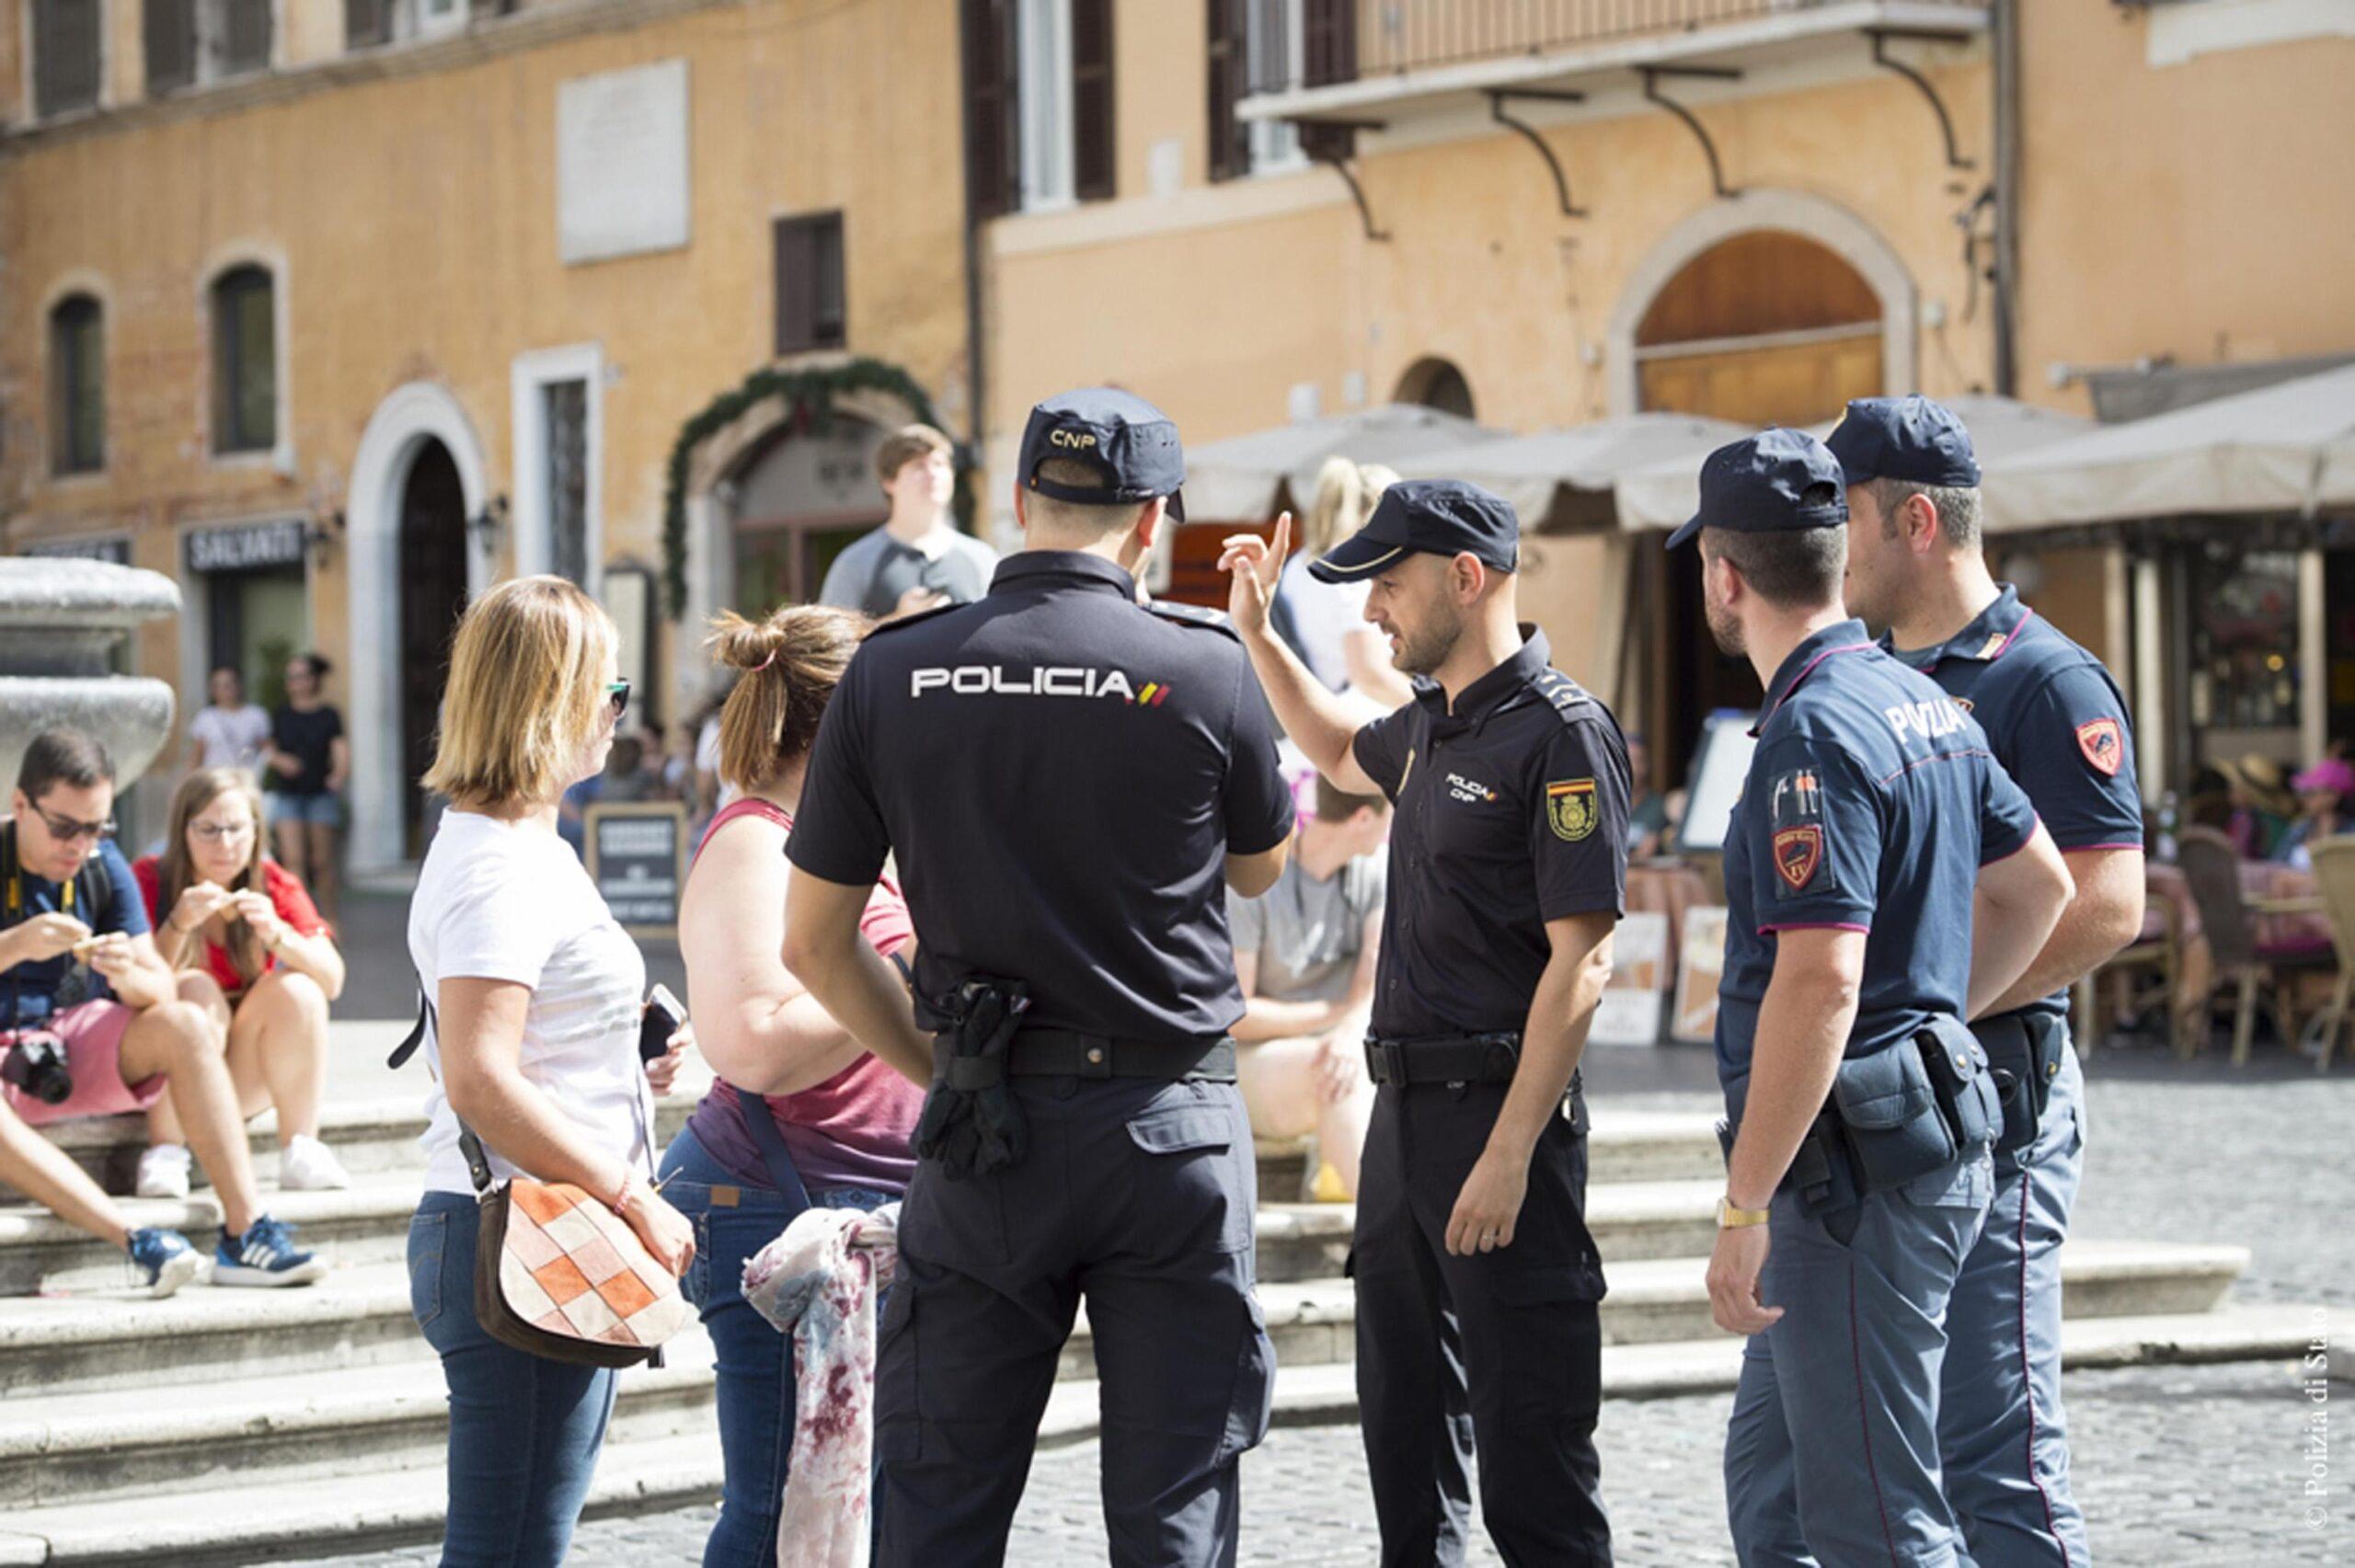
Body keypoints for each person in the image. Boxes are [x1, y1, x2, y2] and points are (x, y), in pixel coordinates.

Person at [780, 387, 1294, 1566]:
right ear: (1153, 520)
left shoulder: (896, 668)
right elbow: (1261, 872)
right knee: (1174, 1506)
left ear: (1016, 502)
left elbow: (813, 940)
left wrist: (942, 1070)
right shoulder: (1202, 665)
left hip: (985, 1130)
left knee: (939, 1509)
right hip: (1172, 1133)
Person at [1668, 430, 2074, 1567]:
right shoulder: (1914, 694)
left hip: (1850, 1178)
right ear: (1834, 557)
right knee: (1778, 1491)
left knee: (1879, 1525)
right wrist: (1940, 1011)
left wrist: (1742, 1206)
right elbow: (2039, 883)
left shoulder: (1811, 726)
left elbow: (1822, 974)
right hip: (1900, 1151)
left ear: (1724, 574)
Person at [1223, 476, 1628, 1566]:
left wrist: (1507, 1151)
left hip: (1501, 1121)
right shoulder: (1432, 724)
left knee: (1531, 1461)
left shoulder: (1561, 735)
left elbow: (1581, 963)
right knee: (1406, 1439)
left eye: (1390, 587)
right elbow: (1330, 744)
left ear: (1466, 577)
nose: (1374, 614)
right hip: (1402, 1121)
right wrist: (1257, 638)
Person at [1834, 395, 2149, 1566]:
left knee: (1995, 1455)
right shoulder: (1863, 672)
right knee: (1856, 1456)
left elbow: (2109, 905)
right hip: (1882, 1115)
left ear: (1915, 520)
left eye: (1847, 518)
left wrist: (1921, 1010)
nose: (1832, 545)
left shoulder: (2045, 680)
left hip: (1997, 1109)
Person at [406, 576, 696, 1568]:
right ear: (554, 700)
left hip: (537, 1218)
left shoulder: (521, 841)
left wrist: (631, 1033)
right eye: (610, 691)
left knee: (523, 1543)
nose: (621, 715)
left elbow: (519, 1037)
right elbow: (481, 1079)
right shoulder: (500, 861)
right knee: (508, 1552)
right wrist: (630, 1194)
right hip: (521, 1227)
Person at [662, 603, 926, 1567]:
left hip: (864, 1209)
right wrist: (899, 968)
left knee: (861, 1503)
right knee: (780, 1512)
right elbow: (755, 1049)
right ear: (842, 722)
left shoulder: (845, 838)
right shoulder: (753, 841)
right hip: (771, 1200)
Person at [2, 728, 323, 1292]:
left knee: (185, 1022)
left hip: (70, 1039)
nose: (79, 844)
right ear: (19, 804)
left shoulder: (102, 863)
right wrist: (15, 945)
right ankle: (135, 1238)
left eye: (96, 826)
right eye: (63, 827)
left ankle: (245, 1233)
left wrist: (127, 972)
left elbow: (158, 984)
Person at [132, 768, 352, 1198]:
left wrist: (276, 934)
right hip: (166, 1079)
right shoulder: (149, 879)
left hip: (241, 1072)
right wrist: (178, 924)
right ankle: (166, 1151)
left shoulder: (271, 882)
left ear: (256, 830)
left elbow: (332, 979)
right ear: (183, 831)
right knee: (193, 987)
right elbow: (134, 983)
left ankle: (302, 1147)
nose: (225, 844)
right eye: (208, 830)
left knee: (299, 990)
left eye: (236, 828)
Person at [1228, 775, 1387, 1200]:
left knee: (1353, 1070)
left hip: (1345, 1053)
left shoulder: (1375, 875)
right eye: (1389, 815)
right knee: (1336, 1072)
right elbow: (1235, 1013)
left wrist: (1346, 1032)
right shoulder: (1258, 881)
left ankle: (1384, 1229)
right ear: (1363, 817)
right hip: (1260, 1064)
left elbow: (1375, 984)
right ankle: (1389, 1238)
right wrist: (1337, 1017)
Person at [816, 424, 999, 621]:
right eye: (919, 466)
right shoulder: (855, 563)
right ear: (889, 481)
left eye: (939, 464)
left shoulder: (982, 559)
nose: (932, 474)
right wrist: (896, 620)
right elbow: (830, 645)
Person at [1271, 457, 1414, 710]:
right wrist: (1439, 711)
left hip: (1304, 718)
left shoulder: (1299, 563)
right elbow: (1370, 675)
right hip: (1353, 719)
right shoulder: (1354, 576)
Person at [263, 651, 348, 921]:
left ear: (313, 680)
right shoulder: (281, 714)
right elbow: (268, 750)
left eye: (300, 676)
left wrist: (338, 774)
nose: (295, 682)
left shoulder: (328, 715)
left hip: (320, 794)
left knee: (322, 863)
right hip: (288, 794)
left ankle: (331, 919)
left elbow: (340, 749)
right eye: (291, 677)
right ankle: (301, 919)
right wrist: (281, 761)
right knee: (293, 861)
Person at [184, 665, 271, 778]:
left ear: (238, 686)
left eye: (229, 683)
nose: (226, 688)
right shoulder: (205, 717)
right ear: (213, 690)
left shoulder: (256, 715)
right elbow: (196, 756)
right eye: (219, 685)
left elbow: (268, 751)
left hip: (245, 782)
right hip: (214, 781)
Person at [2283, 758, 2354, 869]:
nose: (2305, 798)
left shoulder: (2350, 833)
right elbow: (2276, 864)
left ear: (2334, 796)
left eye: (2311, 792)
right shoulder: (2301, 828)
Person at [1625, 734, 1673, 858]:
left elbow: (1646, 852)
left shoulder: (1657, 806)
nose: (1630, 767)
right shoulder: (1603, 807)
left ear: (1646, 766)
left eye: (1636, 760)